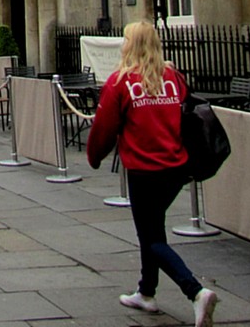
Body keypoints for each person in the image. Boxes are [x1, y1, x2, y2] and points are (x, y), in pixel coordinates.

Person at [87, 21, 218, 327]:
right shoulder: (172, 77)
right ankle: (146, 292)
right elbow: (186, 105)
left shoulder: (120, 82)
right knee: (152, 229)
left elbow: (104, 127)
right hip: (175, 167)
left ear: (129, 45)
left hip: (144, 170)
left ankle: (196, 292)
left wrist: (94, 157)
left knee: (151, 238)